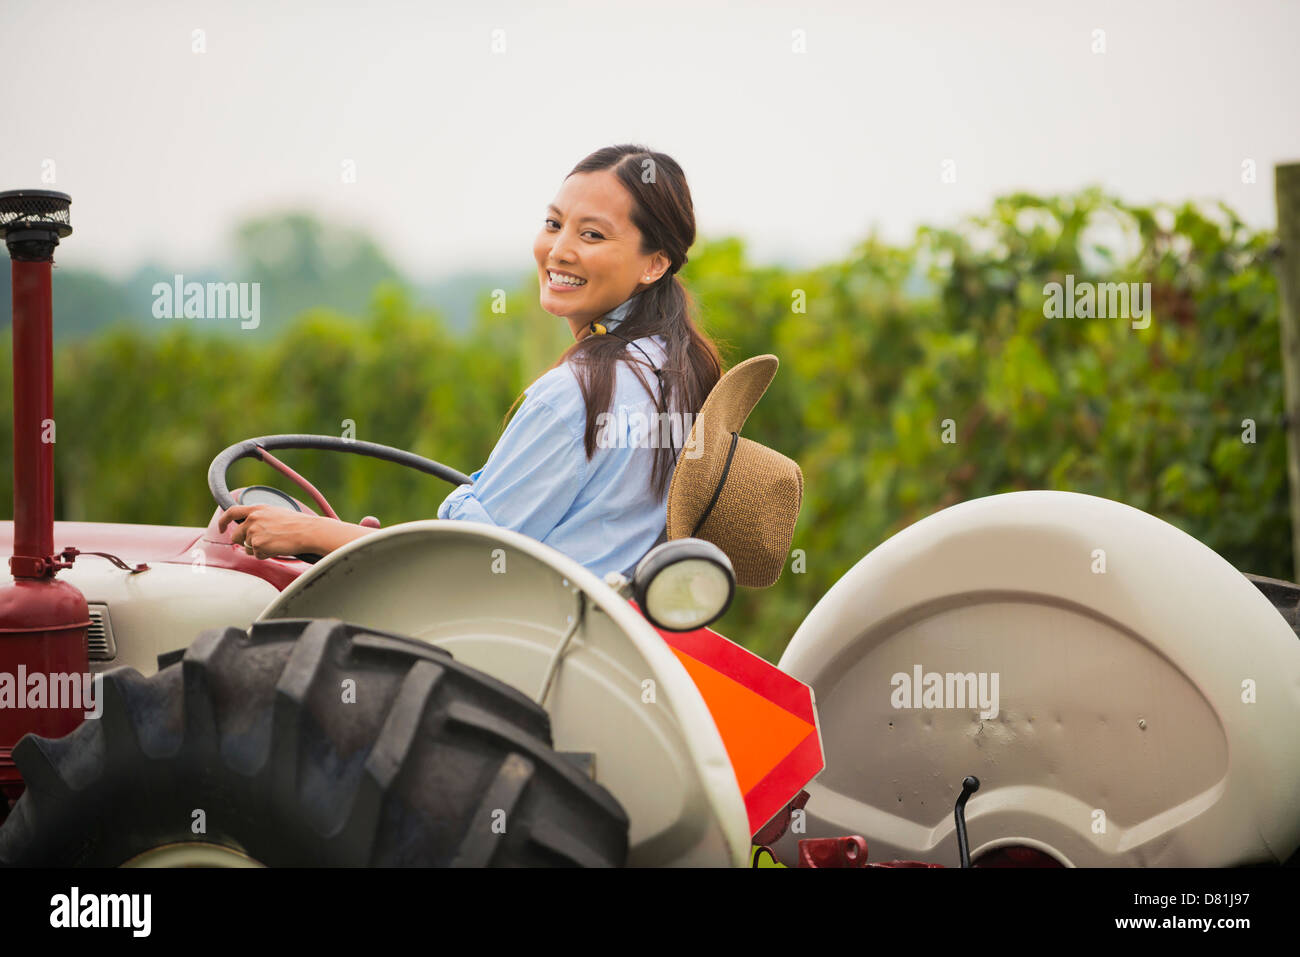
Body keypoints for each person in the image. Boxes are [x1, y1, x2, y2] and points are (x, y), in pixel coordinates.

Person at [219, 144, 723, 579]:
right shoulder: (679, 371)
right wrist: (341, 536)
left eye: (591, 235)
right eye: (554, 224)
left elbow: (461, 564)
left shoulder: (578, 393)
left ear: (655, 263)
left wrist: (313, 531)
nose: (559, 250)